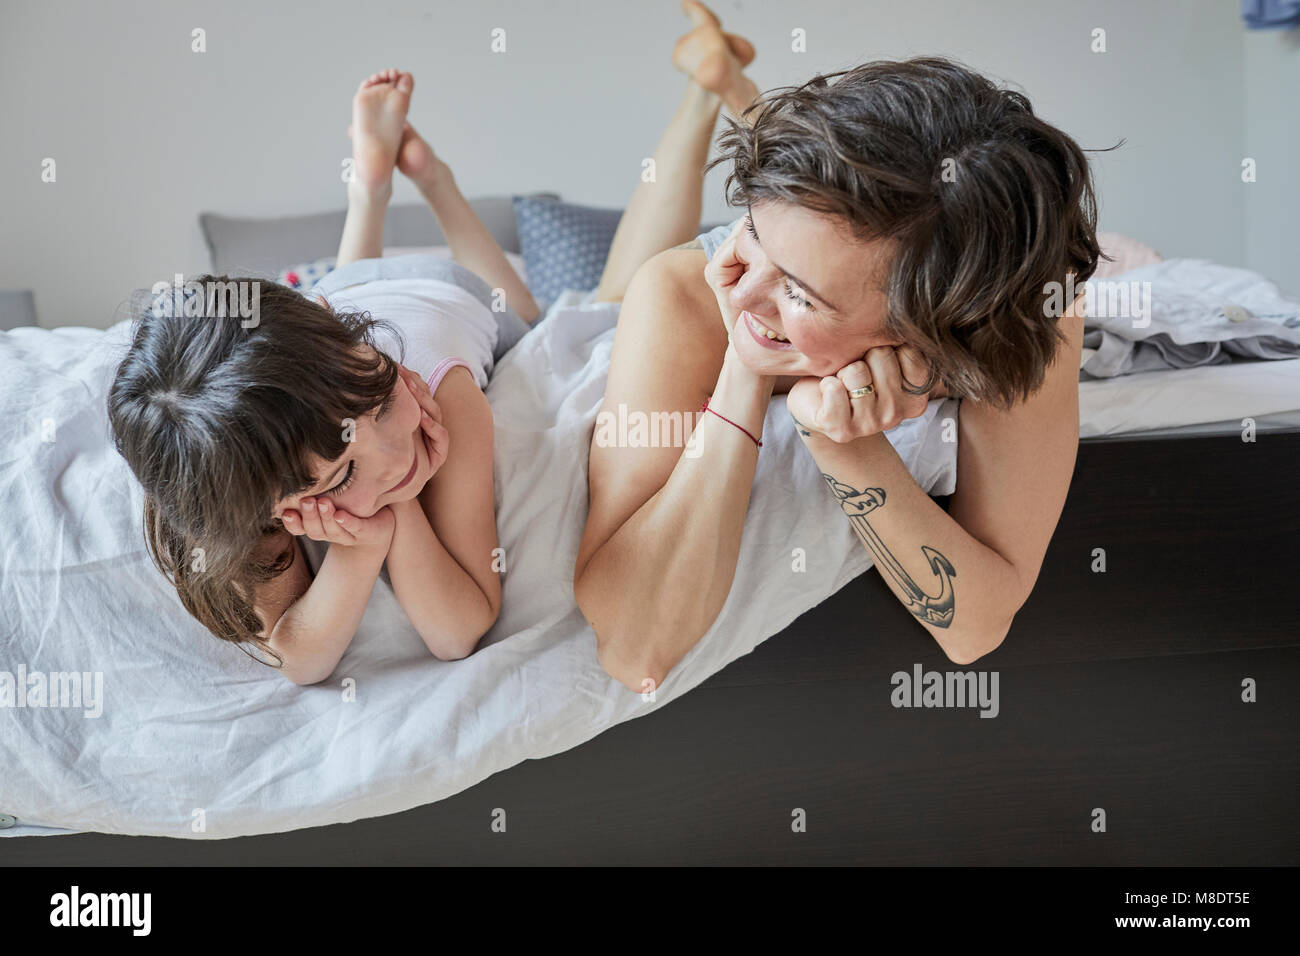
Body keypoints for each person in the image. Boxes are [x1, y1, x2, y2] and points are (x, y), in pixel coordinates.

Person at [574, 1, 1103, 690]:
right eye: (753, 232)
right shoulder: (691, 293)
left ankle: (723, 84)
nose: (741, 289)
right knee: (615, 294)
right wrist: (747, 362)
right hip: (664, 290)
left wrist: (842, 443)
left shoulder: (1024, 306)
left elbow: (974, 631)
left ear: (925, 325)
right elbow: (635, 652)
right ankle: (712, 89)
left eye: (798, 292)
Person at [109, 68, 540, 684]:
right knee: (341, 319)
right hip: (340, 318)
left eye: (387, 404)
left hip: (442, 296)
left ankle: (429, 183)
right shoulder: (238, 473)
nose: (399, 455)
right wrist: (362, 547)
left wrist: (392, 496)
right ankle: (370, 183)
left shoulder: (443, 395)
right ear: (270, 507)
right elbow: (301, 662)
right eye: (343, 475)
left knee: (523, 311)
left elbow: (459, 631)